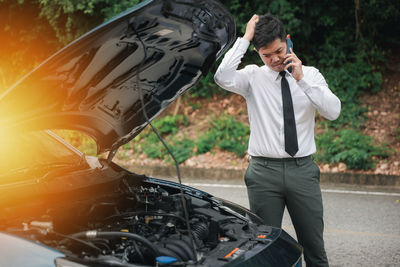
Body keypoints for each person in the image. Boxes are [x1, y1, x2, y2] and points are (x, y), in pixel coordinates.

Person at [214, 14, 341, 266]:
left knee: (314, 248)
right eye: (265, 55)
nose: (273, 59)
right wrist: (245, 37)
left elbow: (333, 111)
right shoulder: (252, 76)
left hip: (302, 170)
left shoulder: (311, 76)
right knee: (263, 249)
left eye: (278, 51)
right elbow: (222, 76)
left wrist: (301, 80)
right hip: (263, 172)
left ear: (288, 42)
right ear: (257, 53)